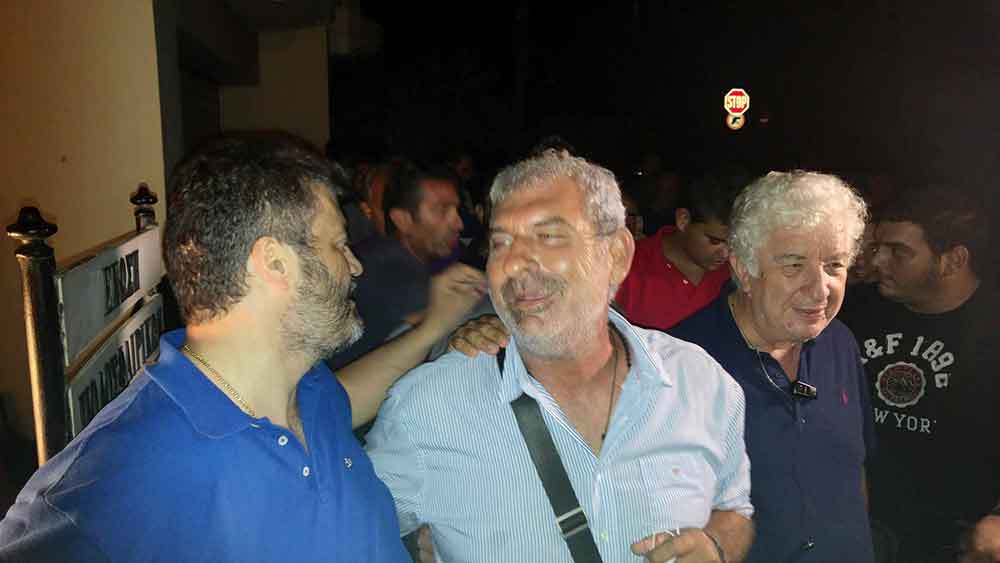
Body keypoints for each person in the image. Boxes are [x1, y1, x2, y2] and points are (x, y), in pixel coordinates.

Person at [0, 133, 486, 561]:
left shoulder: (305, 389)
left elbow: (347, 397)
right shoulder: (117, 477)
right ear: (274, 262)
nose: (355, 265)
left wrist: (431, 330)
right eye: (339, 245)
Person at [366, 150, 754, 563]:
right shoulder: (426, 408)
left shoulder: (700, 382)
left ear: (617, 254)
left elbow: (734, 510)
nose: (514, 264)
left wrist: (716, 545)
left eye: (548, 236)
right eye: (500, 242)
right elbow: (348, 534)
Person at [667, 171, 875, 563]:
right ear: (744, 270)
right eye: (794, 265)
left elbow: (854, 470)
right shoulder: (680, 367)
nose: (820, 289)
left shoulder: (840, 343)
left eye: (834, 265)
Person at [839, 188, 1000, 563]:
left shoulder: (992, 327)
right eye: (877, 247)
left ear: (953, 260)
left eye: (898, 252)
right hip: (859, 521)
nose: (877, 261)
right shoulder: (853, 309)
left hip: (956, 536)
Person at [327, 160, 466, 369]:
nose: (458, 223)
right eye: (442, 210)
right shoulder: (397, 278)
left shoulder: (379, 254)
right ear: (402, 220)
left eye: (456, 209)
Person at [615, 170, 746, 330]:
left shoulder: (739, 274)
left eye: (733, 242)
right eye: (715, 241)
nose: (726, 253)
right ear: (683, 220)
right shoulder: (626, 269)